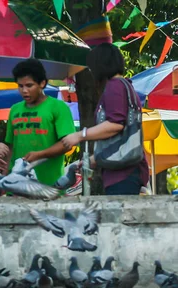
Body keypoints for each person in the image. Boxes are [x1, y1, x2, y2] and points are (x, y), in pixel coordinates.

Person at [61, 43, 149, 195]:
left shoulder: (114, 86)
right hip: (124, 172)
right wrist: (94, 160)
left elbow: (115, 124)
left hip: (123, 175)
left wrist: (79, 135)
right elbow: (118, 137)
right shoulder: (124, 85)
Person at [2, 59, 76, 185]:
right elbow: (10, 147)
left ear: (42, 83)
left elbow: (67, 144)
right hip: (16, 185)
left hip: (50, 185)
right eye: (20, 86)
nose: (24, 90)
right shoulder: (15, 109)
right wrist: (4, 178)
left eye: (29, 85)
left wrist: (40, 154)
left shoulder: (58, 107)